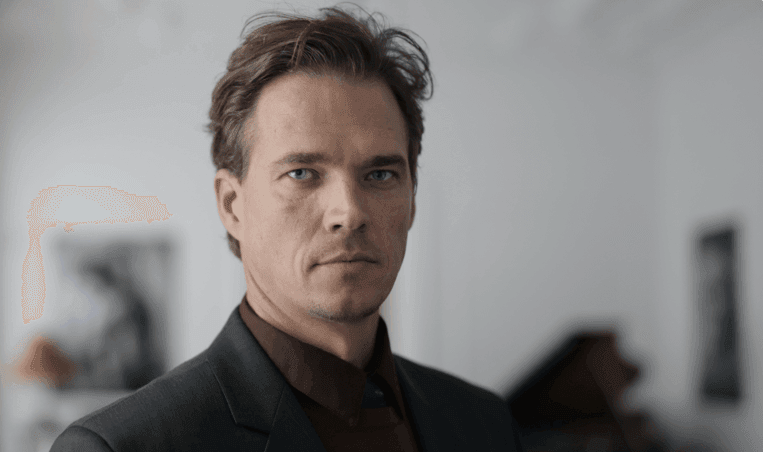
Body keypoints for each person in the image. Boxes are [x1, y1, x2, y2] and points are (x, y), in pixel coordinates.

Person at [51, 5, 523, 451]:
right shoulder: (122, 446)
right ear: (232, 205)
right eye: (302, 173)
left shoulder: (484, 422)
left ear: (412, 201)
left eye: (380, 175)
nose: (348, 212)